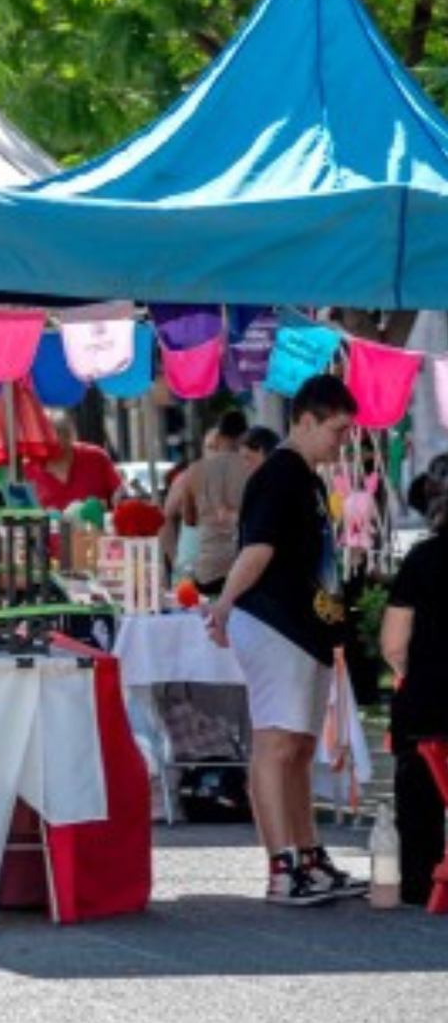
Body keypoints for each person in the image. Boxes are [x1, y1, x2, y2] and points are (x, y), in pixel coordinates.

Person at [203, 375, 367, 906]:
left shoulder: (309, 478)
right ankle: (283, 867)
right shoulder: (279, 475)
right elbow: (257, 549)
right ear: (306, 421)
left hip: (304, 627)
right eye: (337, 430)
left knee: (297, 746)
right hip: (274, 623)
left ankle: (309, 855)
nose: (342, 442)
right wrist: (225, 603)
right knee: (276, 744)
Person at [380, 453, 448, 905]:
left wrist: (410, 672)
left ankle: (420, 880)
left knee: (417, 784)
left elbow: (393, 643)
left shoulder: (423, 559)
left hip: (431, 701)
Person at [184, 411, 253, 597]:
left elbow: (189, 521)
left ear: (219, 436)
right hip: (245, 571)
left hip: (207, 575)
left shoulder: (194, 471)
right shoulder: (254, 469)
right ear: (244, 436)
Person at [24, 412, 124, 511]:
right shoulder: (28, 470)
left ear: (68, 436)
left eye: (51, 436)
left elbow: (120, 494)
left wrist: (111, 503)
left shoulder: (96, 457)